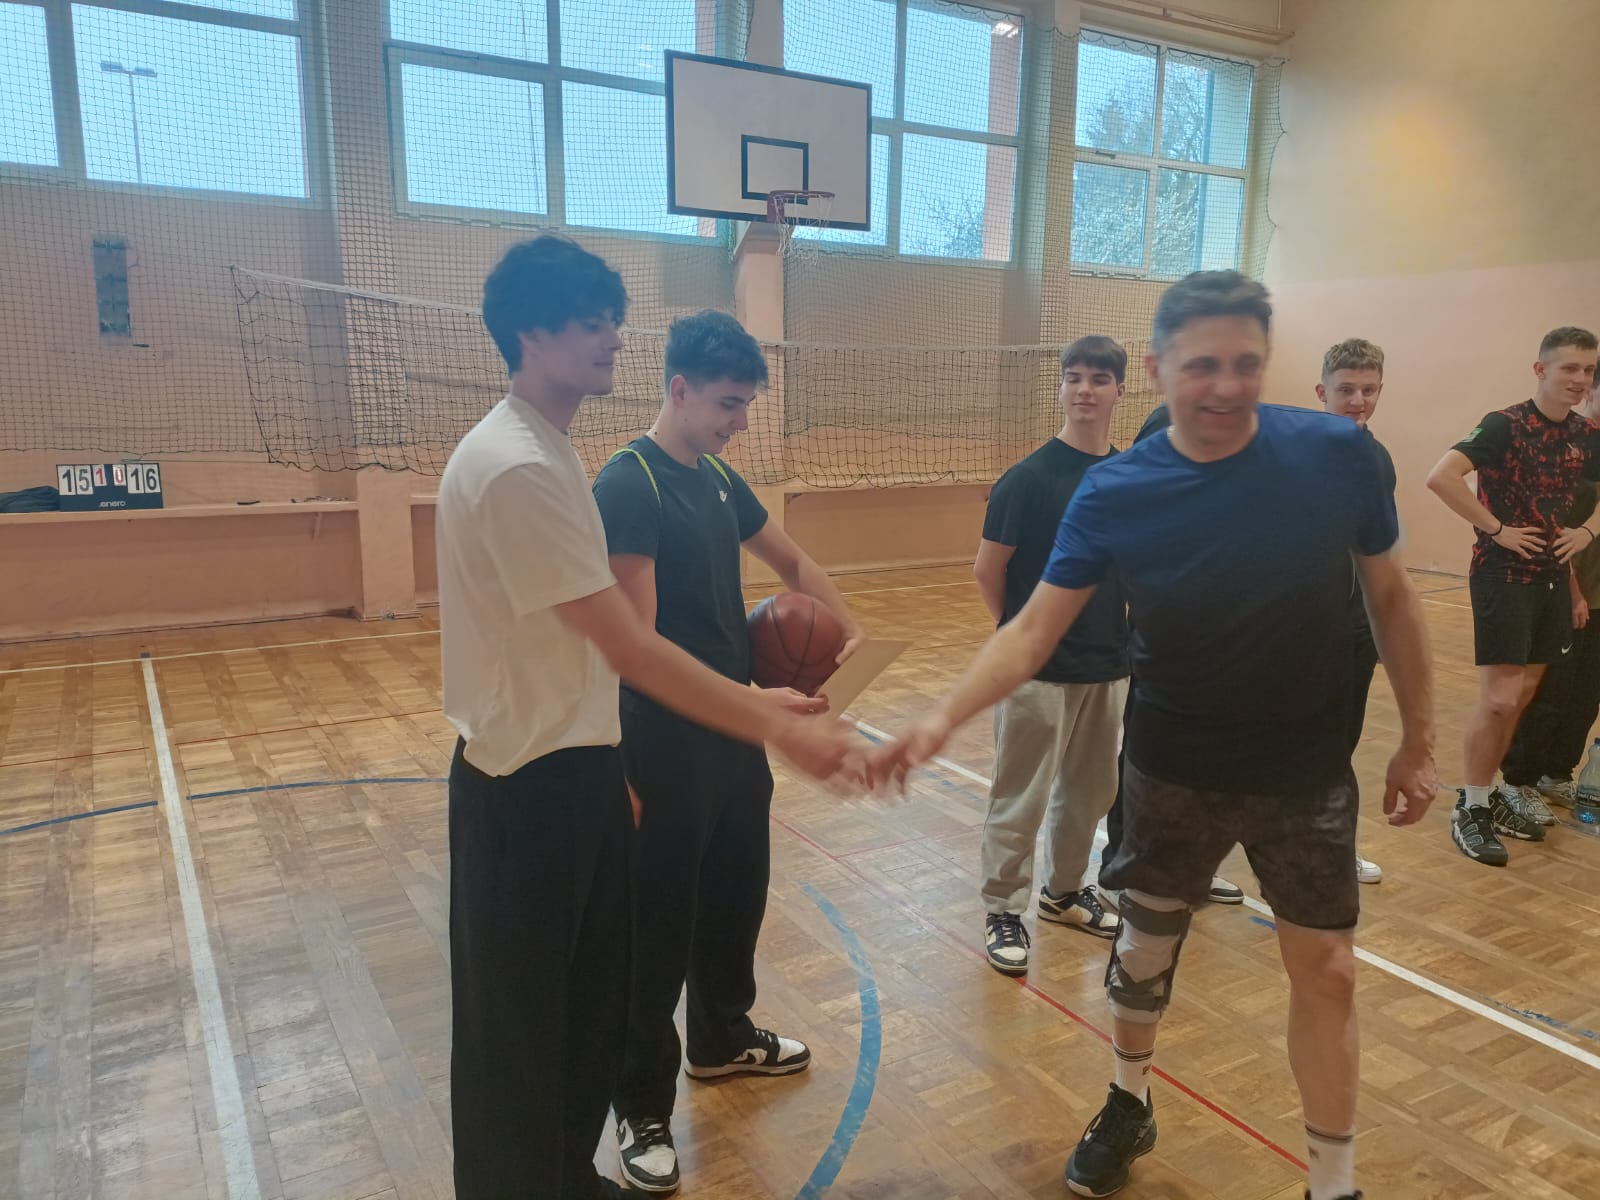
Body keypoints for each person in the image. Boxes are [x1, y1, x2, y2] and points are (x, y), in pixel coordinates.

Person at [870, 270, 1437, 1200]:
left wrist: (1418, 739)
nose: (1225, 385)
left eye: (1245, 364)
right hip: (1173, 763)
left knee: (1329, 970)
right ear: (1158, 367)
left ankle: (1333, 1182)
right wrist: (938, 718)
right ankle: (1128, 1100)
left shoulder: (1339, 457)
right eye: (1202, 364)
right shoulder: (1117, 489)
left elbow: (1391, 597)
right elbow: (1032, 628)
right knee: (1143, 951)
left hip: (1305, 768)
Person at [437, 237, 855, 1200]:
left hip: (575, 766)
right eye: (592, 323)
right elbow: (630, 645)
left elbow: (604, 651)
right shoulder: (518, 466)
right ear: (532, 333)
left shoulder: (548, 449)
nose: (614, 339)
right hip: (526, 783)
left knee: (575, 1019)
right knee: (521, 1039)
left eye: (614, 322)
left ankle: (567, 1173)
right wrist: (767, 716)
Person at [591, 310, 864, 1194]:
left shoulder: (715, 477)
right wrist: (751, 704)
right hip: (664, 739)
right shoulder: (628, 485)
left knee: (735, 897)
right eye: (726, 404)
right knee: (656, 931)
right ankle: (640, 1103)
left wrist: (847, 629)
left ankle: (720, 1038)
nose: (739, 421)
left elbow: (794, 563)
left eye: (745, 404)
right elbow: (637, 645)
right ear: (678, 389)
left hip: (736, 732)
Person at [973, 336, 1130, 975]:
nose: (1084, 389)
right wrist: (1020, 637)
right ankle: (1003, 909)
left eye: (1099, 379)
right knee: (1021, 796)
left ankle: (1064, 893)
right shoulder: (1028, 480)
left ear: (1120, 391)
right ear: (1060, 388)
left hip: (1108, 663)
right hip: (1036, 671)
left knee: (1090, 793)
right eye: (1074, 377)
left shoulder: (1129, 476)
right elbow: (988, 571)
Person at [1425, 326, 1600, 865]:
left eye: (1588, 370)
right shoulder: (1505, 424)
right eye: (1570, 368)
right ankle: (1472, 806)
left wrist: (1587, 531)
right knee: (1500, 699)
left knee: (1521, 698)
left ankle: (1495, 792)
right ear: (1541, 370)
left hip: (1552, 579)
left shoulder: (1586, 434)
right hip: (1502, 576)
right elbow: (1442, 476)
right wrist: (1496, 529)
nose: (1580, 379)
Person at [1502, 370, 1600, 822]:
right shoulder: (1571, 446)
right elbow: (1553, 527)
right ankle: (1519, 780)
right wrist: (1572, 592)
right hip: (1566, 593)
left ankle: (1557, 773)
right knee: (1549, 693)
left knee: (1586, 696)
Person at [1316, 338, 1395, 885]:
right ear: (1322, 392)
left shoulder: (1379, 458)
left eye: (1369, 390)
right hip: (1298, 628)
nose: (1358, 400)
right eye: (1346, 389)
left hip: (1356, 628)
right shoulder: (1295, 454)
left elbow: (1380, 552)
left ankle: (1334, 847)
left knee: (1340, 741)